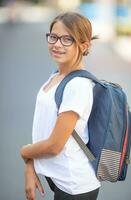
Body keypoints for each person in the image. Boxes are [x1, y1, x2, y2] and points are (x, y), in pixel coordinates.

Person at [20, 12, 101, 200]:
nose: (57, 44)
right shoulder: (57, 75)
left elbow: (54, 145)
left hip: (75, 187)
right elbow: (44, 130)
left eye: (67, 39)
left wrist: (24, 152)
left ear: (83, 46)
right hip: (61, 179)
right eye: (53, 37)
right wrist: (30, 165)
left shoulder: (77, 86)